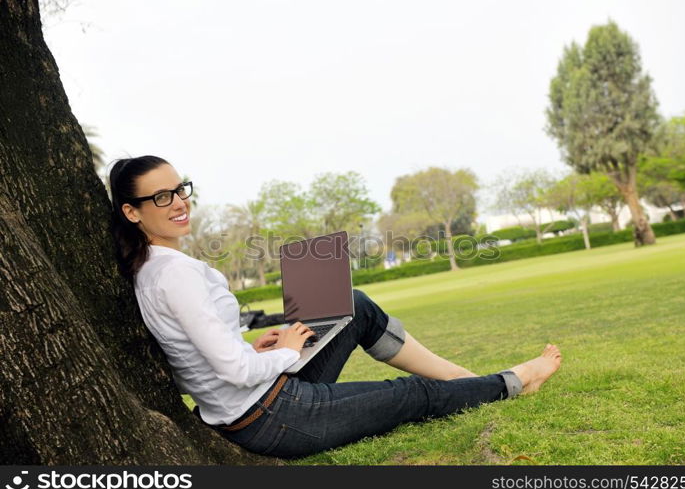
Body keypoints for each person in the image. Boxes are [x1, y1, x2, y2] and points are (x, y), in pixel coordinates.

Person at [109, 155, 563, 459]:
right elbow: (232, 372)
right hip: (270, 416)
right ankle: (517, 380)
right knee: (411, 396)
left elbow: (201, 357)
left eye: (181, 189)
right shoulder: (174, 273)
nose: (180, 203)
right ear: (133, 212)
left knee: (352, 307)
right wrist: (285, 352)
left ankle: (464, 381)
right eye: (162, 197)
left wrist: (257, 347)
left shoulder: (156, 268)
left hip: (262, 398)